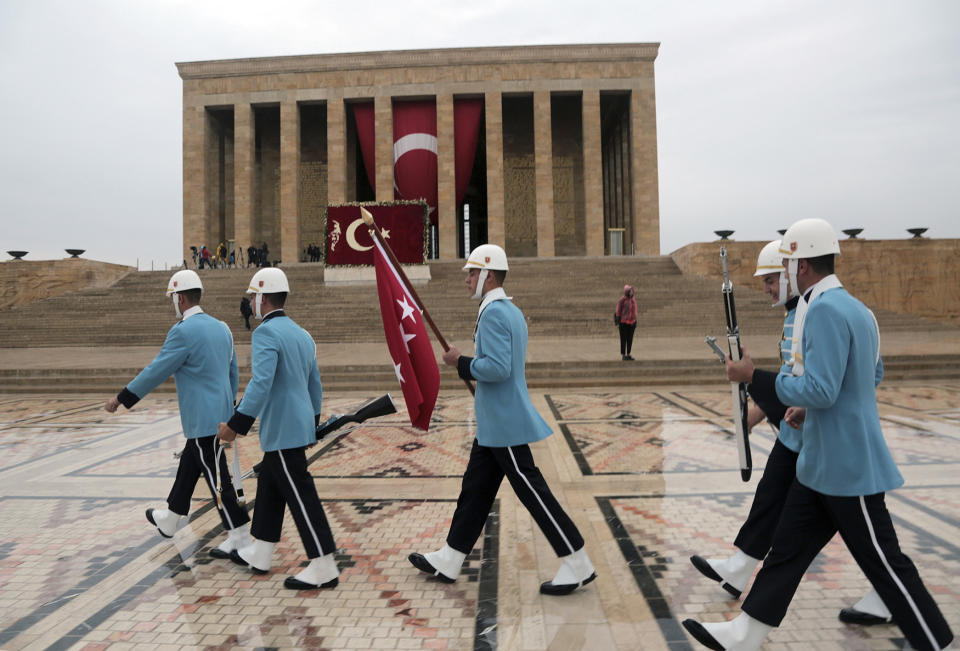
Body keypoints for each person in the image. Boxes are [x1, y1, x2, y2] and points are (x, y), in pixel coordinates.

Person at [683, 219, 954, 651]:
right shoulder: (855, 308)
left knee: (886, 564)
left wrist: (755, 377)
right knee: (788, 549)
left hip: (847, 466)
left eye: (786, 265)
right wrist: (808, 410)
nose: (783, 275)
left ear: (803, 266)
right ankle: (745, 632)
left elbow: (823, 389)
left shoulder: (824, 310)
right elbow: (868, 375)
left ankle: (936, 643)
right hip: (822, 463)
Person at [689, 239, 891, 626]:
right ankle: (742, 569)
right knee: (777, 500)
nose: (768, 287)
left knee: (856, 529)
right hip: (801, 431)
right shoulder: (800, 313)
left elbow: (853, 376)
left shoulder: (824, 311)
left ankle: (894, 596)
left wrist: (768, 394)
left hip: (824, 436)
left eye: (772, 278)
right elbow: (796, 376)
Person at [408, 244, 596, 595]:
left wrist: (461, 362)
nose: (466, 279)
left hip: (504, 421)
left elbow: (497, 368)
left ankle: (577, 560)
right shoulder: (509, 310)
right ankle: (450, 556)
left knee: (532, 490)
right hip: (494, 422)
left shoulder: (494, 313)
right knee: (475, 490)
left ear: (488, 274)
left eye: (471, 273)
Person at [104, 269, 251, 558]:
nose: (173, 302)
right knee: (190, 463)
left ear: (180, 298)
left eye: (173, 298)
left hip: (202, 421)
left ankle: (241, 537)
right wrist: (229, 409)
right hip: (219, 416)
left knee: (218, 479)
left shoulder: (183, 331)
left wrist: (122, 397)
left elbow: (156, 370)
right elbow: (232, 371)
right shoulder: (223, 327)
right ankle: (171, 518)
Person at [217, 267, 339, 590]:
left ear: (264, 298)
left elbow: (261, 383)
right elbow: (315, 384)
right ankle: (261, 552)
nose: (251, 303)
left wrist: (236, 424)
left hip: (283, 429)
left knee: (301, 496)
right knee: (271, 487)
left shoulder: (266, 334)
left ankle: (324, 565)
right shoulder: (302, 334)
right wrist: (312, 422)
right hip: (294, 426)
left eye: (253, 297)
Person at [615, 284, 637, 360]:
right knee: (623, 339)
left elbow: (635, 311)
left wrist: (635, 320)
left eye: (632, 291)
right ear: (627, 292)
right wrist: (618, 321)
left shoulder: (633, 300)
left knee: (630, 339)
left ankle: (628, 354)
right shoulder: (622, 300)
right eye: (630, 291)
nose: (632, 292)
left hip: (632, 322)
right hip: (623, 322)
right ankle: (623, 354)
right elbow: (618, 311)